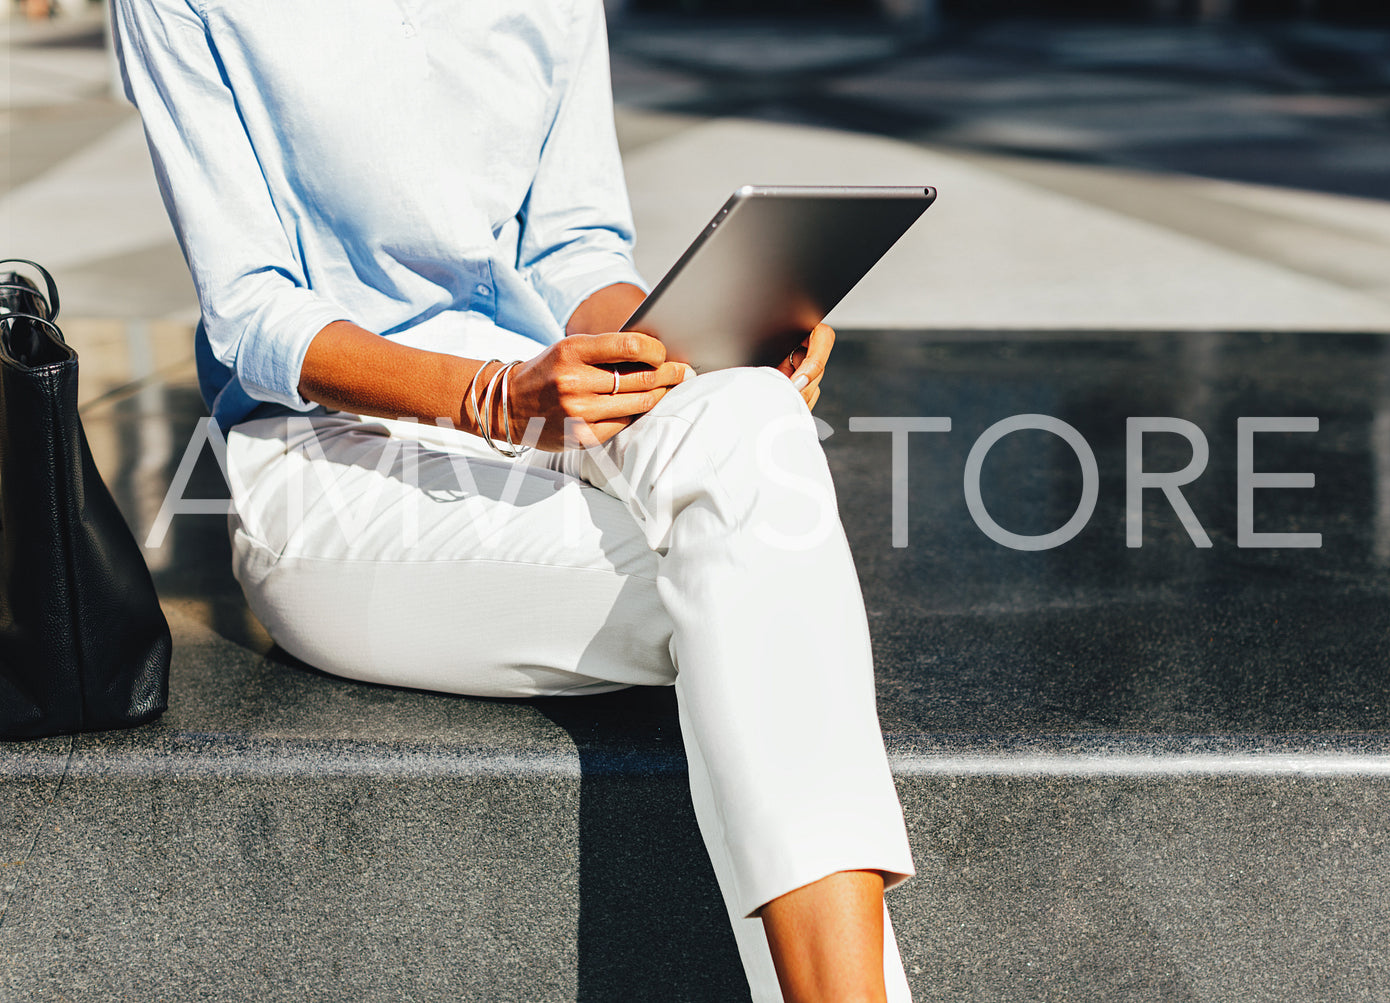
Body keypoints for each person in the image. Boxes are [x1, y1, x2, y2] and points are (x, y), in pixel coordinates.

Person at [112, 1, 915, 999]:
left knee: (751, 418)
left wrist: (709, 339)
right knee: (764, 576)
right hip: (331, 457)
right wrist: (490, 399)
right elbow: (251, 312)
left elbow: (572, 248)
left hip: (551, 401)